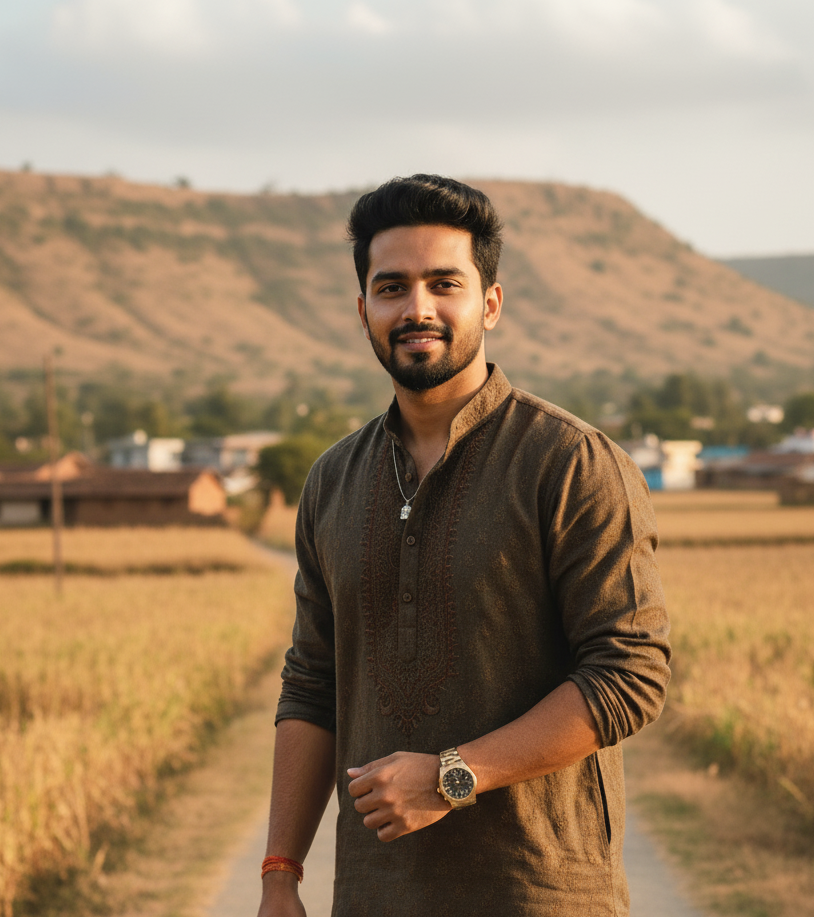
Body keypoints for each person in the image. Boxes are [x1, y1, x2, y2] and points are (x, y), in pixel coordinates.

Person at [257, 174, 671, 917]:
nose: (416, 307)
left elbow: (629, 672)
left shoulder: (569, 462)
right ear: (363, 312)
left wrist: (452, 773)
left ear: (490, 302)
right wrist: (280, 872)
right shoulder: (331, 482)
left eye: (443, 283)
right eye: (391, 288)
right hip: (374, 896)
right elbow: (313, 683)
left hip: (541, 894)